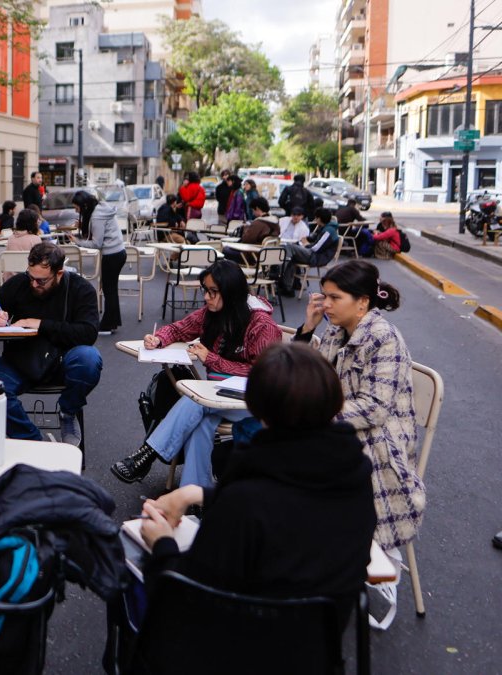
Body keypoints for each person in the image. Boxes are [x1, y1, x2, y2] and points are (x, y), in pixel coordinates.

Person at [139, 343, 376, 617]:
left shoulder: (247, 494)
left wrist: (162, 544)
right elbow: (287, 504)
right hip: (321, 635)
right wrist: (194, 493)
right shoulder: (354, 473)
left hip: (240, 634)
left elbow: (185, 594)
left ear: (257, 408)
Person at [294, 260, 424, 629]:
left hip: (380, 448)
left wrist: (314, 416)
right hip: (343, 432)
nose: (326, 304)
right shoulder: (336, 331)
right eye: (325, 296)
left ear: (362, 302)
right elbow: (306, 379)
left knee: (295, 464)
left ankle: (315, 562)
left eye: (335, 297)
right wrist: (308, 328)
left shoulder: (384, 338)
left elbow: (375, 408)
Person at [111, 260, 281, 487]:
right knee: (201, 421)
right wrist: (158, 338)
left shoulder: (262, 325)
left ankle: (148, 453)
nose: (206, 297)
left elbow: (263, 374)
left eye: (213, 292)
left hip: (255, 403)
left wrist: (212, 359)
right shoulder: (213, 313)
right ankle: (196, 495)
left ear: (231, 292)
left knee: (196, 400)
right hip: (217, 398)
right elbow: (178, 329)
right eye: (205, 290)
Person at [0, 243, 102, 446]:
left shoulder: (80, 289)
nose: (34, 284)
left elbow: (88, 333)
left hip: (61, 361)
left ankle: (67, 411)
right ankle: (36, 444)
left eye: (41, 280)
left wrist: (40, 324)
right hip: (19, 360)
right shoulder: (20, 283)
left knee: (89, 358)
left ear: (59, 273)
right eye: (31, 276)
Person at [71, 190, 126, 334]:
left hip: (111, 255)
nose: (76, 211)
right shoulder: (100, 209)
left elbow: (96, 243)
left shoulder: (96, 216)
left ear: (84, 206)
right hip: (118, 252)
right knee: (111, 289)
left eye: (77, 208)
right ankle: (112, 322)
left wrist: (77, 241)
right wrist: (82, 225)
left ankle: (107, 325)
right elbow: (98, 232)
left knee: (109, 290)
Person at [278, 208, 340, 297]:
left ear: (319, 218)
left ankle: (279, 272)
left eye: (316, 218)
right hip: (314, 254)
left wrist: (306, 244)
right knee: (291, 256)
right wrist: (307, 240)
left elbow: (316, 248)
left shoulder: (329, 231)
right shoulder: (325, 228)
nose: (315, 220)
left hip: (318, 257)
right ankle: (287, 288)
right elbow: (314, 238)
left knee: (289, 247)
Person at [220, 197, 278, 265]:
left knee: (225, 249)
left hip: (252, 255)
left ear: (257, 208)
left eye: (253, 210)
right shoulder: (275, 223)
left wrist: (246, 229)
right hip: (265, 255)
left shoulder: (259, 223)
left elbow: (246, 239)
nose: (253, 213)